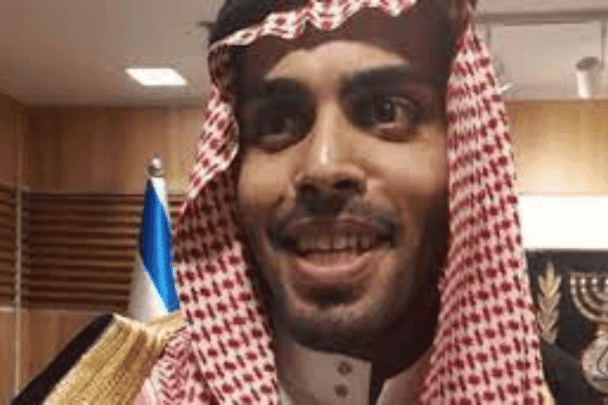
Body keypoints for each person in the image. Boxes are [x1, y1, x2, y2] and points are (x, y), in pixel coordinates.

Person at [12, 0, 603, 404]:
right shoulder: (112, 385)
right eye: (277, 121)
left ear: (462, 153)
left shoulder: (553, 394)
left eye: (386, 111)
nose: (322, 166)